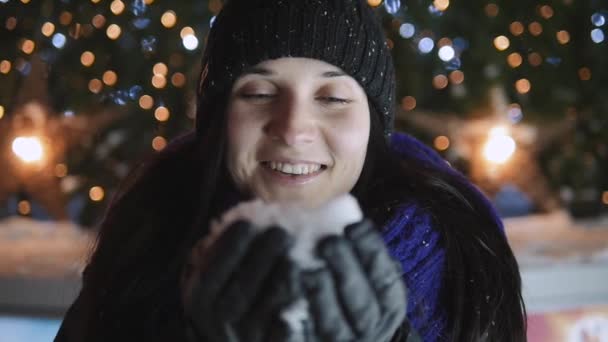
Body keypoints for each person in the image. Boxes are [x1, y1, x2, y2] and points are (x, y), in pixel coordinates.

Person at [55, 0, 527, 341]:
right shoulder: (140, 244)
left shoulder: (466, 261)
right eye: (259, 93)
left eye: (333, 98)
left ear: (372, 124)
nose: (294, 127)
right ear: (220, 118)